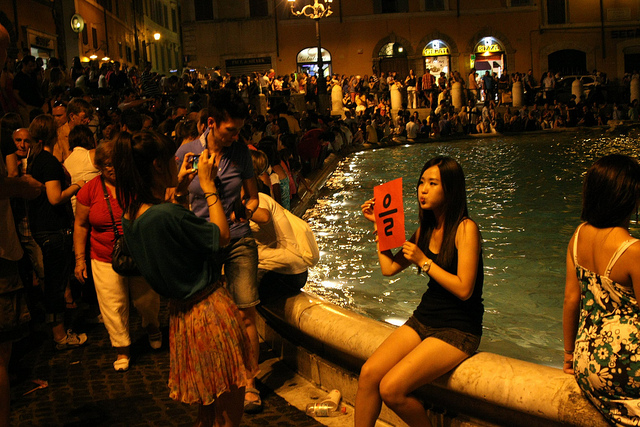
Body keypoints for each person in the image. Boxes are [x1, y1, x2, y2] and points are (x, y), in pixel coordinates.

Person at [113, 130, 257, 426]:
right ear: (156, 164)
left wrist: (179, 192)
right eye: (171, 160)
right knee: (228, 413)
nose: (177, 165)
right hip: (210, 311)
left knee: (206, 412)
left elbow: (175, 238)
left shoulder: (131, 215)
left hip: (181, 315)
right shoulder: (165, 215)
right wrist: (208, 187)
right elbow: (221, 236)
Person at [355, 156, 484, 427]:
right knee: (368, 374)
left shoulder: (465, 228)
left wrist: (424, 261)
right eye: (421, 183)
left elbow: (464, 289)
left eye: (432, 183)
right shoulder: (425, 229)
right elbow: (389, 268)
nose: (423, 189)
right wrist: (380, 226)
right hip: (425, 317)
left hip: (458, 329)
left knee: (391, 388)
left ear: (450, 190)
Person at [174, 89, 262, 413]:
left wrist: (248, 210)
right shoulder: (187, 151)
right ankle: (212, 378)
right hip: (203, 241)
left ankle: (250, 382)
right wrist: (185, 182)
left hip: (238, 238)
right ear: (212, 123)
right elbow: (176, 192)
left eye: (239, 130)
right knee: (204, 316)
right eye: (230, 130)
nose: (236, 136)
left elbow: (253, 197)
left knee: (245, 311)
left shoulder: (241, 153)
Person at [563, 154, 640, 426]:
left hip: (587, 361)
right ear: (630, 198)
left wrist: (569, 356)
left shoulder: (578, 236)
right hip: (627, 365)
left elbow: (571, 300)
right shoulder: (633, 251)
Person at [74, 137, 161, 372]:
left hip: (139, 253)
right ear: (99, 167)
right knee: (113, 304)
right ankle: (122, 348)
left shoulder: (137, 184)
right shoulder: (90, 190)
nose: (112, 170)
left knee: (147, 300)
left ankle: (152, 325)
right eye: (106, 166)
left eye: (115, 164)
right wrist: (80, 259)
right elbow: (81, 225)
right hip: (103, 255)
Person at [27, 114, 87, 350]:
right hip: (52, 229)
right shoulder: (48, 162)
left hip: (43, 227)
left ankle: (59, 331)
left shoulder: (35, 160)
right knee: (55, 283)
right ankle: (60, 335)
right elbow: (55, 197)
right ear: (54, 135)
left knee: (54, 282)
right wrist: (76, 186)